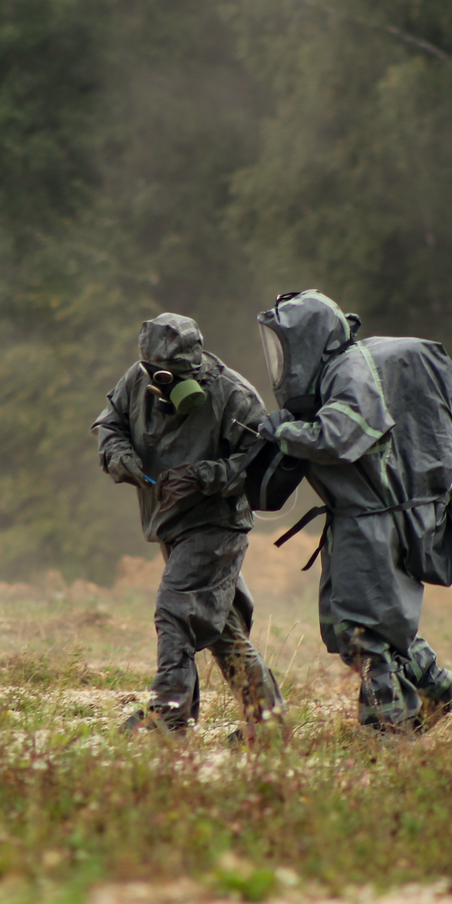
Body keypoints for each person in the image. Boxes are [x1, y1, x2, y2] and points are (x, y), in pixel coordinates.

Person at [253, 290, 452, 733]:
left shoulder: (348, 370)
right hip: (361, 517)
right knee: (359, 622)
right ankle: (438, 686)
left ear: (310, 338)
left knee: (361, 630)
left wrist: (287, 433)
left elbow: (343, 433)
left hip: (372, 519)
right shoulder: (339, 370)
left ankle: (387, 727)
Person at [94, 313, 286, 740]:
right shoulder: (136, 382)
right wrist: (118, 454)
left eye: (178, 376)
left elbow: (263, 465)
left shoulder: (232, 395)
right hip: (170, 524)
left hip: (216, 524)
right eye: (160, 375)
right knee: (222, 631)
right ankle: (268, 725)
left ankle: (170, 715)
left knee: (176, 610)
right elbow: (109, 424)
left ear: (197, 364)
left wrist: (204, 476)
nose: (167, 384)